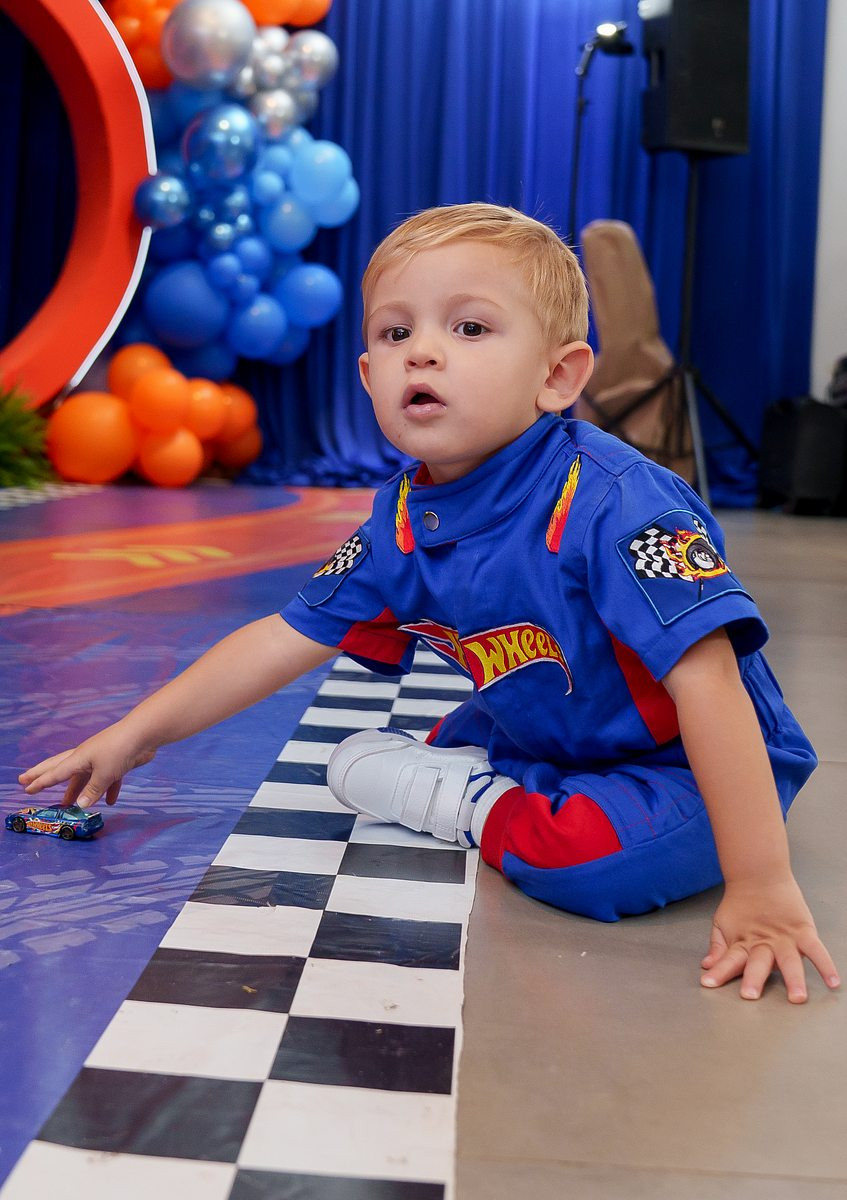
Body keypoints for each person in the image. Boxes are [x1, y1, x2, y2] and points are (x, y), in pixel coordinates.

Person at [20, 203, 839, 1004]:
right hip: (546, 726)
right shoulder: (399, 520)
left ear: (556, 377)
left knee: (587, 868)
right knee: (427, 761)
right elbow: (281, 636)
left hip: (679, 758)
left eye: (469, 328)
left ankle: (472, 798)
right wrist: (134, 735)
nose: (422, 352)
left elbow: (710, 683)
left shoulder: (618, 504)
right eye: (394, 333)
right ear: (368, 378)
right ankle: (493, 770)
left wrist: (760, 884)